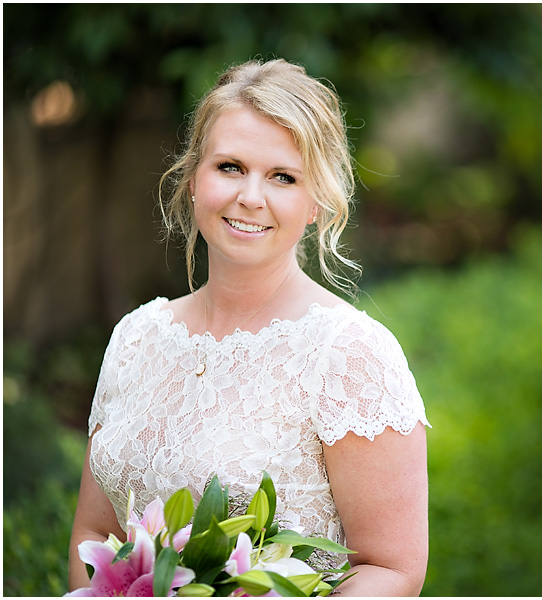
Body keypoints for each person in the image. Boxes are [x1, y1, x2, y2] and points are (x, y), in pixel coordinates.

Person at [67, 58, 430, 596]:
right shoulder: (135, 338)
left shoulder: (351, 354)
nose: (250, 197)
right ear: (193, 179)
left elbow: (392, 569)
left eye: (283, 176)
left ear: (316, 204)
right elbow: (95, 532)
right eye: (230, 167)